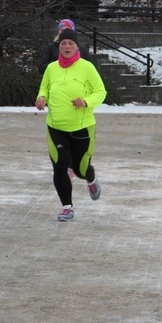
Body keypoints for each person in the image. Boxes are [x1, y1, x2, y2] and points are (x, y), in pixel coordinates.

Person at [35, 28, 107, 221]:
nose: (67, 46)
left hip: (82, 127)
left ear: (77, 47)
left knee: (81, 169)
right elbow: (45, 88)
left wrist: (85, 102)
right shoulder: (51, 68)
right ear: (59, 46)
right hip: (56, 126)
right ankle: (67, 206)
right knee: (59, 167)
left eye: (71, 43)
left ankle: (91, 178)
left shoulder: (87, 67)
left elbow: (100, 92)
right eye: (63, 43)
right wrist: (41, 98)